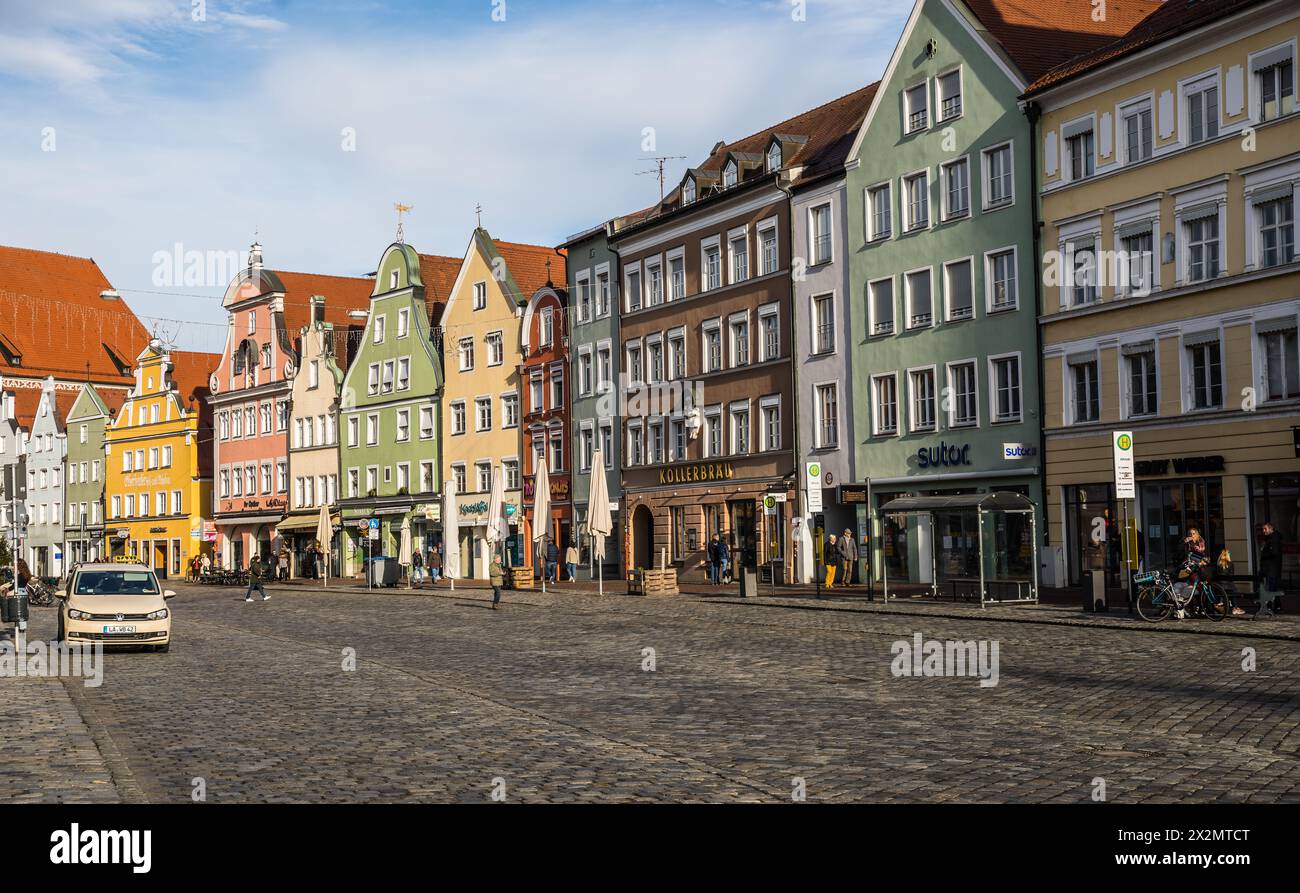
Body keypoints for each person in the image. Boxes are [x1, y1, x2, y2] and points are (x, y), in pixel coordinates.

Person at [1258, 522, 1283, 618]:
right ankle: (1277, 606)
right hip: (1270, 568)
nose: (1263, 531)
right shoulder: (1269, 539)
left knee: (1271, 588)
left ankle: (1270, 607)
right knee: (1273, 587)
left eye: (1265, 529)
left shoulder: (1274, 539)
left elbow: (1274, 553)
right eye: (1262, 529)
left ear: (1271, 529)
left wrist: (1264, 554)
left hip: (1271, 568)